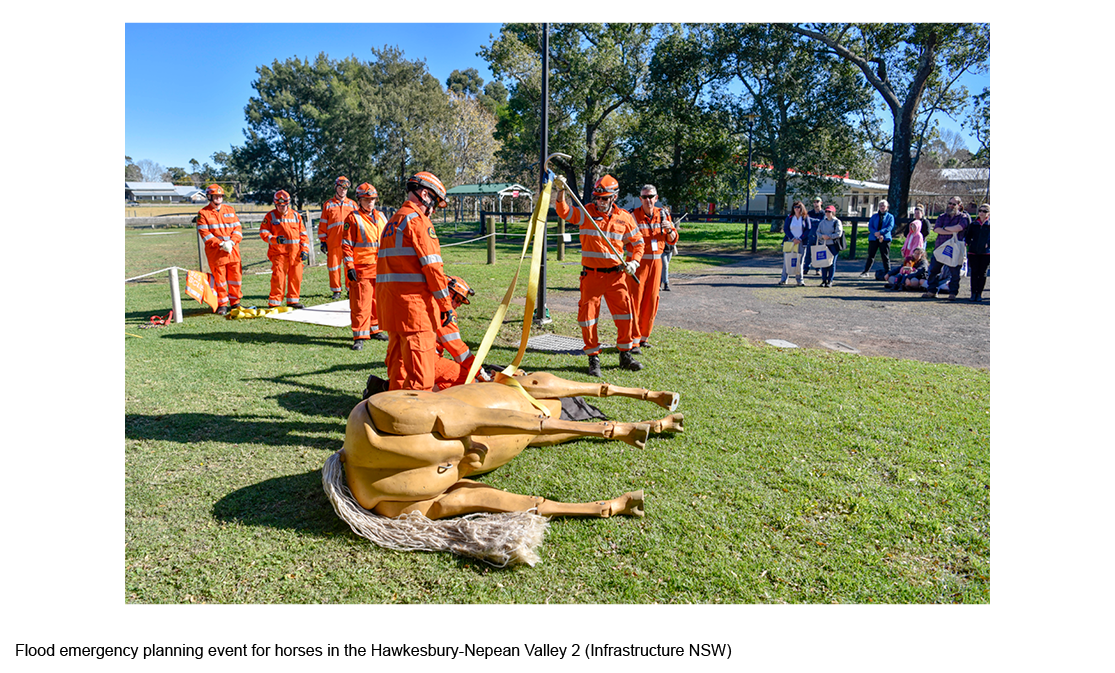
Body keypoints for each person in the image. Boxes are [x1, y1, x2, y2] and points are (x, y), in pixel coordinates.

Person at [554, 174, 645, 376]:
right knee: (588, 318)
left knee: (625, 316)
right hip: (592, 277)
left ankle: (625, 354)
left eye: (604, 198)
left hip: (617, 276)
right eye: (597, 197)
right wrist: (561, 191)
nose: (600, 202)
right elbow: (564, 211)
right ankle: (593, 358)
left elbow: (638, 243)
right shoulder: (586, 212)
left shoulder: (625, 217)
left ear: (614, 197)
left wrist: (634, 262)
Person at [376, 171, 456, 391]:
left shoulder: (391, 223)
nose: (433, 210)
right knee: (420, 380)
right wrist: (446, 306)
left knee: (398, 373)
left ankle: (392, 418)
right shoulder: (418, 223)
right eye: (435, 202)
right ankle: (416, 424)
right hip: (415, 312)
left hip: (392, 310)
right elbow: (433, 270)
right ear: (424, 194)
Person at [628, 184, 677, 350]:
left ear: (656, 198)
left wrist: (669, 230)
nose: (648, 200)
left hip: (656, 264)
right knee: (635, 301)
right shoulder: (633, 216)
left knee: (652, 300)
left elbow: (672, 239)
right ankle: (633, 340)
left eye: (651, 196)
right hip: (637, 264)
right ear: (640, 199)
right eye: (645, 197)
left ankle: (644, 338)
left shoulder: (663, 214)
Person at [342, 183, 389, 350]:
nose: (370, 202)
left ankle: (376, 329)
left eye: (372, 199)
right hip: (361, 268)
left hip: (381, 267)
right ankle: (360, 335)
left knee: (378, 301)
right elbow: (346, 245)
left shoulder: (382, 217)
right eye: (366, 199)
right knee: (361, 302)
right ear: (359, 200)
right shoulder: (353, 218)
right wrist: (350, 267)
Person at [195, 184, 243, 315]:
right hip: (217, 253)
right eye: (215, 196)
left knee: (236, 278)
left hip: (233, 251)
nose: (218, 198)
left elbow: (238, 229)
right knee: (220, 280)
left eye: (220, 196)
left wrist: (232, 242)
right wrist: (221, 244)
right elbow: (205, 234)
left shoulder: (230, 210)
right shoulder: (203, 213)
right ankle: (222, 304)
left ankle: (236, 302)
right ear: (209, 197)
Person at [259, 190, 309, 309]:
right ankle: (275, 303)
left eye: (284, 205)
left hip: (296, 253)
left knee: (296, 277)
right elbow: (263, 232)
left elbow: (303, 235)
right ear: (275, 204)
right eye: (279, 205)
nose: (281, 208)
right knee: (279, 277)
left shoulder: (296, 216)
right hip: (279, 253)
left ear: (288, 204)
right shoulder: (270, 216)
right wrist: (275, 239)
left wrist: (305, 250)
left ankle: (293, 300)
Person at [922, 196, 971, 300]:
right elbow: (937, 229)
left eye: (954, 204)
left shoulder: (963, 217)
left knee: (954, 273)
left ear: (959, 206)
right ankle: (932, 291)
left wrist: (945, 228)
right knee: (933, 271)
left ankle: (953, 293)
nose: (951, 206)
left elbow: (960, 227)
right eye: (950, 203)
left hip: (955, 249)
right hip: (940, 247)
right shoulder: (942, 216)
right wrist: (951, 230)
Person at [318, 176, 358, 300]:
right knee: (334, 267)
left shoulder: (352, 204)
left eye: (345, 188)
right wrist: (323, 241)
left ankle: (350, 289)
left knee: (349, 265)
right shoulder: (328, 204)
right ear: (336, 188)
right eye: (340, 188)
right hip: (333, 241)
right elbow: (323, 223)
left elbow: (358, 222)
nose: (343, 190)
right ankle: (336, 291)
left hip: (349, 242)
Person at [860, 199, 895, 278]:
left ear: (887, 207)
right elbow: (870, 226)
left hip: (885, 239)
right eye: (880, 206)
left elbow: (890, 227)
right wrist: (876, 233)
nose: (882, 207)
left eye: (884, 206)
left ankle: (888, 272)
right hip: (874, 238)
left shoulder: (890, 217)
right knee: (871, 255)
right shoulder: (874, 216)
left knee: (885, 256)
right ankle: (866, 271)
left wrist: (881, 233)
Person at [779, 200, 812, 286]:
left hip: (801, 242)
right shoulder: (789, 217)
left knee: (800, 261)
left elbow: (808, 229)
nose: (797, 209)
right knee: (787, 260)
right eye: (795, 207)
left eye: (798, 207)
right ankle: (784, 279)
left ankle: (799, 280)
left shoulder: (805, 217)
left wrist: (800, 238)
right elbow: (786, 229)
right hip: (790, 241)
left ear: (802, 208)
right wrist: (793, 238)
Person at [965, 203, 991, 302]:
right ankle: (973, 293)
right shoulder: (974, 224)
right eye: (980, 211)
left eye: (984, 211)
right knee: (974, 273)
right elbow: (967, 236)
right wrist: (970, 243)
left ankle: (979, 293)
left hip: (986, 253)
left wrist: (988, 244)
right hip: (973, 252)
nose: (981, 213)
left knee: (982, 273)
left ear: (989, 213)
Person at [814, 205, 843, 288]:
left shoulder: (837, 222)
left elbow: (839, 233)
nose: (827, 213)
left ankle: (830, 280)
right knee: (824, 263)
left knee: (831, 264)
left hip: (833, 245)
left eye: (829, 212)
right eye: (826, 211)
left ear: (833, 213)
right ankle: (823, 280)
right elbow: (818, 232)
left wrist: (829, 236)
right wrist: (822, 236)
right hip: (824, 245)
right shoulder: (822, 222)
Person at [804, 197, 825, 275]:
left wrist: (812, 220)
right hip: (810, 235)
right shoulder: (810, 213)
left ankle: (818, 269)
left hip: (819, 236)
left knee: (819, 253)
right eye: (814, 202)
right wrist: (815, 221)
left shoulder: (823, 213)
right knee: (808, 253)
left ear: (821, 203)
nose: (816, 203)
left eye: (817, 201)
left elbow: (822, 222)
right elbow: (807, 222)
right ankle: (806, 268)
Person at [660, 210, 679, 291]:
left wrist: (670, 230)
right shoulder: (659, 225)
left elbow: (674, 236)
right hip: (662, 249)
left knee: (664, 267)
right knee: (665, 266)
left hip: (669, 248)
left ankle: (660, 282)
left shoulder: (670, 224)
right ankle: (666, 283)